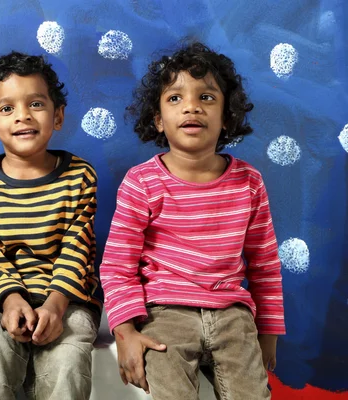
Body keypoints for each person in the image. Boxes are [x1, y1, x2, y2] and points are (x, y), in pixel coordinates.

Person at [100, 42, 286, 400]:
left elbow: (264, 264)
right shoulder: (142, 182)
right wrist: (125, 333)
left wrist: (268, 334)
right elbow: (117, 267)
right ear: (157, 118)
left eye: (207, 97)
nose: (191, 106)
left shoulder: (249, 182)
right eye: (174, 98)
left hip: (232, 314)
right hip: (165, 311)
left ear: (227, 116)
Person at [0, 51, 102, 400]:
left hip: (66, 297)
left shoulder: (79, 176)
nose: (23, 116)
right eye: (7, 108)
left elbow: (78, 249)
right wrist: (11, 301)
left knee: (68, 368)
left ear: (57, 116)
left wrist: (55, 306)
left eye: (36, 104)